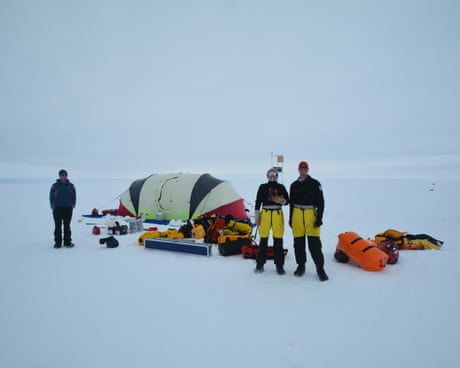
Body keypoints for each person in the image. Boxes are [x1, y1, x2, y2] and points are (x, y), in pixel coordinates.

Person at [289, 161, 328, 281]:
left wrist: (319, 218)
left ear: (308, 169)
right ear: (298, 169)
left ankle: (320, 268)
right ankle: (301, 266)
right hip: (297, 215)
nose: (303, 170)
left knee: (314, 245)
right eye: (301, 168)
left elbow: (321, 203)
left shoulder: (315, 184)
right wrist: (291, 218)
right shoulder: (294, 185)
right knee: (298, 244)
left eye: (305, 168)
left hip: (311, 215)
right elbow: (291, 204)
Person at [254, 167, 289, 274]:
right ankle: (260, 264)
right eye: (270, 174)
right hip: (265, 214)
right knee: (263, 240)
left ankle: (279, 266)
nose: (272, 176)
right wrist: (257, 216)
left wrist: (280, 200)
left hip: (277, 214)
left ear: (277, 176)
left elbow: (287, 201)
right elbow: (258, 201)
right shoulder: (262, 187)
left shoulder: (281, 187)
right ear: (267, 176)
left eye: (274, 174)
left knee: (278, 240)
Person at [49, 169, 76, 248]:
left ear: (67, 176)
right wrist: (52, 205)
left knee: (67, 226)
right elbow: (51, 196)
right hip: (57, 209)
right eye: (62, 175)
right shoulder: (55, 186)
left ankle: (67, 242)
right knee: (58, 226)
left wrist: (73, 204)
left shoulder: (71, 186)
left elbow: (74, 195)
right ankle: (58, 243)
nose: (63, 176)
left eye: (65, 175)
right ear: (59, 176)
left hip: (68, 208)